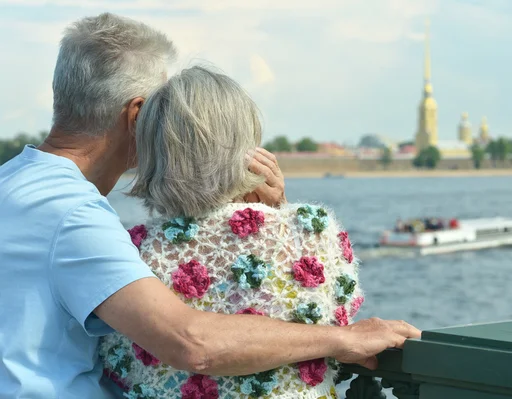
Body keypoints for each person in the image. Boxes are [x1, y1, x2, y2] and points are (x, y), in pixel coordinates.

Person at [0, 13, 420, 399]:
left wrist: (263, 220)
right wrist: (343, 339)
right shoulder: (72, 212)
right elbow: (192, 342)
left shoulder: (12, 181)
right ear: (138, 117)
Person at [100, 65, 366, 398]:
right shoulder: (312, 230)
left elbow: (117, 357)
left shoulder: (132, 248)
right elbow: (339, 315)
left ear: (154, 153)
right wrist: (280, 212)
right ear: (247, 144)